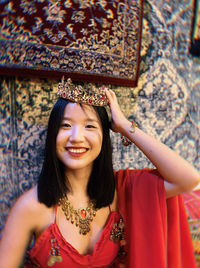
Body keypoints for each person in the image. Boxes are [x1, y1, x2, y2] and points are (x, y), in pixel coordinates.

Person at [0, 78, 199, 268]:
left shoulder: (122, 190)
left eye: (89, 126)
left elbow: (188, 179)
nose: (77, 137)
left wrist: (124, 126)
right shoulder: (31, 207)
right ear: (53, 135)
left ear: (104, 137)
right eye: (66, 125)